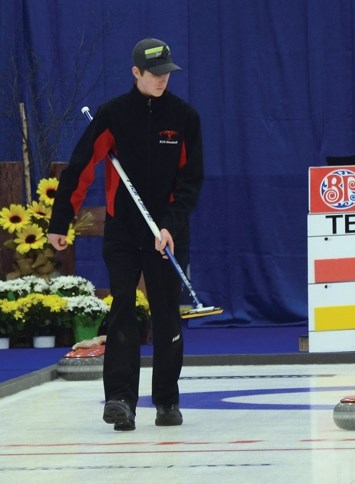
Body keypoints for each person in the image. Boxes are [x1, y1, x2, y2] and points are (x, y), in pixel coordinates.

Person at [47, 38, 204, 431]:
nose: (162, 80)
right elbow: (80, 168)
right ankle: (120, 400)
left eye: (167, 73)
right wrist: (59, 220)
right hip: (123, 231)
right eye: (155, 74)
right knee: (122, 314)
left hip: (167, 232)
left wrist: (170, 223)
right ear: (136, 73)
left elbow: (190, 180)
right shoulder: (113, 114)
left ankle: (167, 400)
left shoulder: (184, 117)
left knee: (167, 316)